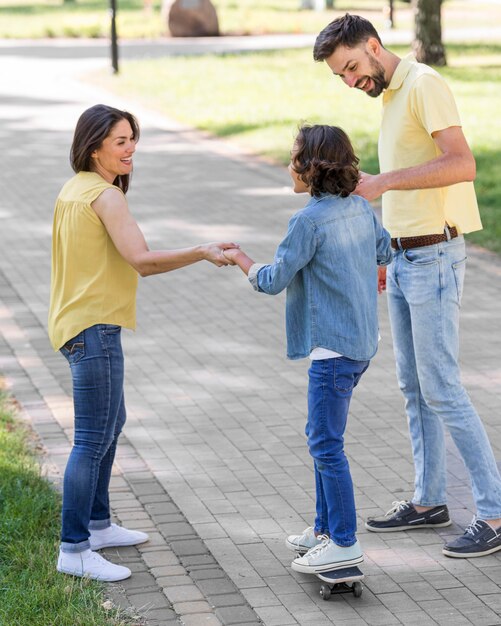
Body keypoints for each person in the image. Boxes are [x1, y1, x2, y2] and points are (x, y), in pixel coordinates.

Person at [313, 14, 501, 558]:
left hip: (436, 255)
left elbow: (461, 164)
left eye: (352, 67)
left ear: (374, 46)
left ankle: (492, 510)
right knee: (413, 386)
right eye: (340, 77)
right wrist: (385, 251)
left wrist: (382, 184)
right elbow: (406, 174)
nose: (351, 82)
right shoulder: (391, 97)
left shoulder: (424, 85)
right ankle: (429, 500)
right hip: (403, 256)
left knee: (441, 385)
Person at [48, 104, 237, 582]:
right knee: (91, 439)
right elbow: (143, 261)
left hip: (79, 324)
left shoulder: (74, 190)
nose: (131, 148)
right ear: (94, 148)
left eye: (133, 138)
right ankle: (74, 550)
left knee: (112, 423)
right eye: (120, 141)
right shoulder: (105, 197)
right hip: (94, 328)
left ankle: (98, 524)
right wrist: (201, 251)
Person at [223, 124, 392, 573]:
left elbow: (273, 279)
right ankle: (323, 530)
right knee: (321, 437)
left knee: (325, 444)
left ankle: (344, 541)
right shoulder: (358, 206)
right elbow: (384, 250)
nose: (289, 164)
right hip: (361, 345)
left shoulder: (307, 221)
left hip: (331, 352)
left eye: (294, 156)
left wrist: (241, 259)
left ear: (312, 168)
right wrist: (370, 270)